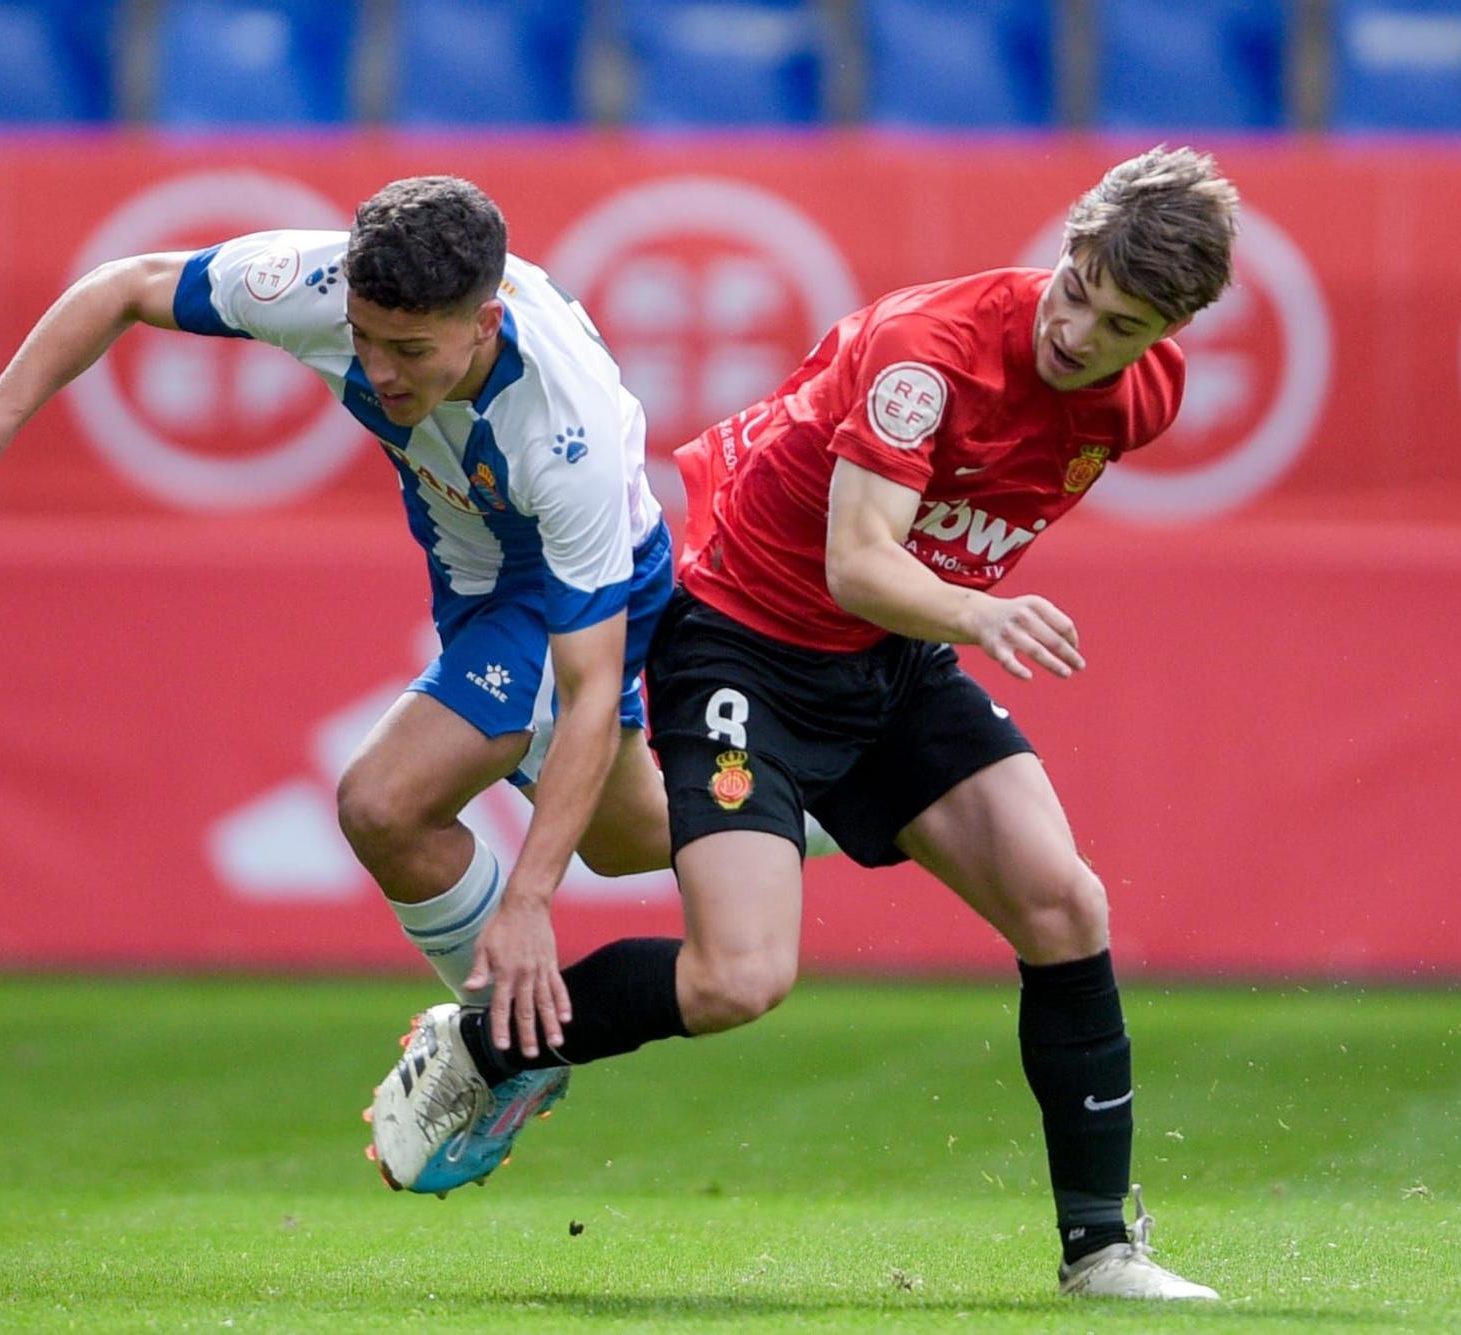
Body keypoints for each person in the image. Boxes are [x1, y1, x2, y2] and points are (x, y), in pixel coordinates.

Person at [371, 147, 1236, 1301]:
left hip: (888, 665)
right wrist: (983, 614)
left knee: (1062, 901)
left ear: (1169, 329)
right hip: (742, 650)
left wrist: (955, 621)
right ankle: (478, 1052)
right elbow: (859, 562)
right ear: (1066, 250)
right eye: (1074, 286)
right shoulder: (928, 356)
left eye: (1118, 320)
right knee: (738, 979)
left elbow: (921, 563)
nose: (1078, 330)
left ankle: (1100, 1254)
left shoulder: (1143, 397)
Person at [0, 176, 689, 1191]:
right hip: (471, 574)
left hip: (564, 578)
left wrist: (527, 898)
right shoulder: (313, 284)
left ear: (485, 322)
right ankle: (830, 797)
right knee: (626, 840)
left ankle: (507, 1057)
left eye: (410, 350)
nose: (378, 371)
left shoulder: (557, 431)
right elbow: (126, 285)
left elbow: (584, 689)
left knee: (382, 803)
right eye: (363, 337)